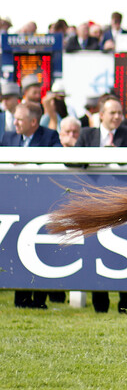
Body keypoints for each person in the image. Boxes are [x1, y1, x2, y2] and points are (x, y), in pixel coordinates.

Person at [75, 96, 127, 313]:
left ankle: (126, 305)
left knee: (126, 250)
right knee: (95, 250)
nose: (117, 117)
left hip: (121, 199)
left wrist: (116, 156)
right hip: (93, 199)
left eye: (120, 113)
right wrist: (96, 157)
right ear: (100, 115)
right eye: (112, 113)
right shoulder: (87, 134)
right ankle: (99, 306)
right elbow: (71, 160)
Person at [0, 101, 60, 308]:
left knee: (40, 248)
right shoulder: (8, 137)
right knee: (17, 248)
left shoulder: (50, 137)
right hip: (14, 203)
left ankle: (39, 300)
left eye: (19, 119)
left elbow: (57, 161)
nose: (14, 123)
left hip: (40, 202)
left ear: (33, 121)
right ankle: (21, 299)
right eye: (15, 118)